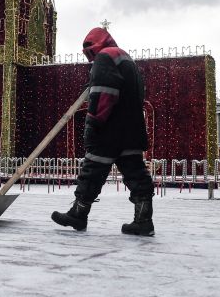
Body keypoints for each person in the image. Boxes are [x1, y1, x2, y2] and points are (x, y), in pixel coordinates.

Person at [51, 26, 155, 236]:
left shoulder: (105, 58)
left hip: (109, 129)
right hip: (132, 129)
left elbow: (103, 94)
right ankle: (143, 220)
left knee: (92, 171)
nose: (91, 59)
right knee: (136, 174)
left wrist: (94, 122)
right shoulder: (126, 59)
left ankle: (78, 214)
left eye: (90, 52)